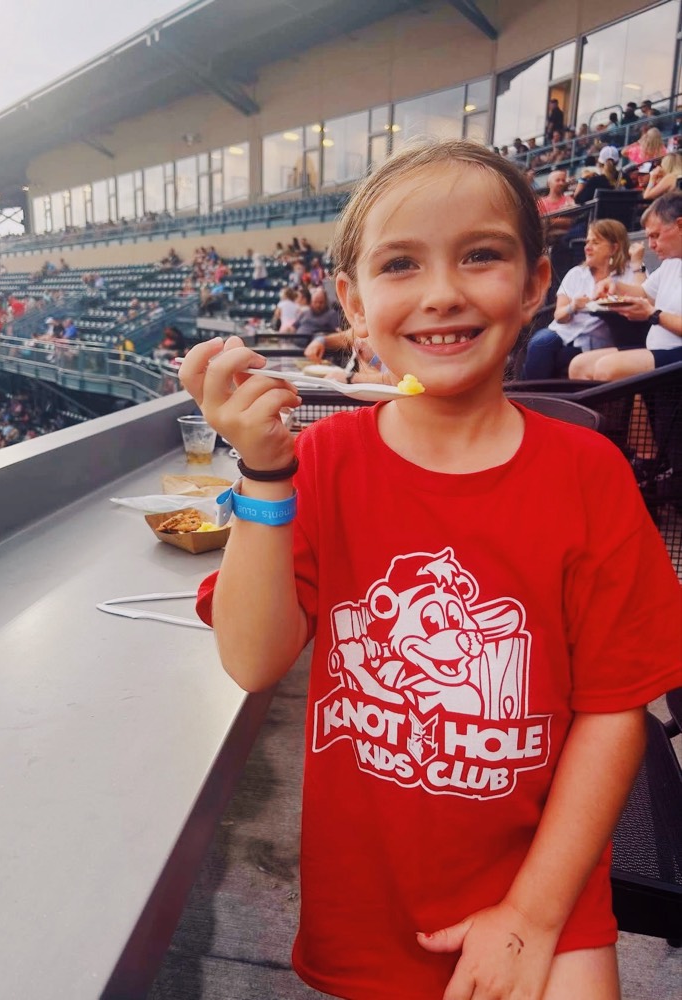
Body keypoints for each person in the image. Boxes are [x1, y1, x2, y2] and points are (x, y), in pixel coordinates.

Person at [179, 140, 680, 1000]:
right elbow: (252, 659)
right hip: (369, 907)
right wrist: (263, 474)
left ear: (532, 285)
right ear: (354, 301)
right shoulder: (323, 461)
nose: (442, 291)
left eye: (480, 255)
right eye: (400, 263)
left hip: (545, 891)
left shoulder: (588, 475)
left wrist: (528, 915)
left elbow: (612, 713)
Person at [568, 191, 682, 381]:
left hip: (676, 354)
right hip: (657, 347)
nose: (651, 245)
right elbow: (645, 293)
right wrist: (614, 285)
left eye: (655, 236)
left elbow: (650, 307)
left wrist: (653, 315)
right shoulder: (672, 261)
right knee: (579, 366)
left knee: (607, 368)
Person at [521, 220, 640, 379]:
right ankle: (531, 397)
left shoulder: (630, 273)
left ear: (614, 248)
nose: (587, 247)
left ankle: (542, 397)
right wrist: (573, 306)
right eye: (587, 242)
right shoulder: (576, 274)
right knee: (540, 344)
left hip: (596, 341)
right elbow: (559, 316)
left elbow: (643, 296)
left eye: (595, 242)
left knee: (558, 359)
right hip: (562, 332)